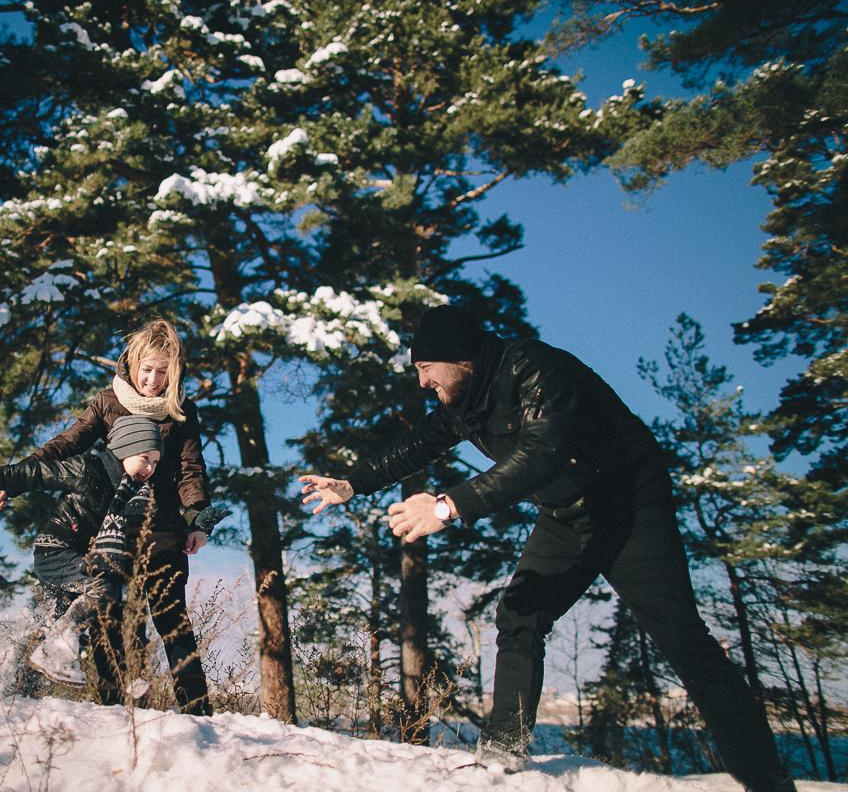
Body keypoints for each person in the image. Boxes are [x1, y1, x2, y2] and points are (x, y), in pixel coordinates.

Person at [298, 305, 796, 792]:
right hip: (567, 516)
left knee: (686, 642)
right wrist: (352, 484)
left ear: (460, 357)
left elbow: (542, 453)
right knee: (519, 615)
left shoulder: (537, 370)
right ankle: (501, 759)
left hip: (628, 506)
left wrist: (448, 507)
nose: (422, 381)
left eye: (426, 367)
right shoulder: (465, 402)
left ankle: (767, 780)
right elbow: (417, 445)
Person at [0, 319, 218, 716]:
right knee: (107, 612)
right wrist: (12, 480)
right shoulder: (108, 401)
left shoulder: (181, 410)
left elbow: (191, 469)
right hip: (113, 524)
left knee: (171, 618)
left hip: (162, 527)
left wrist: (196, 521)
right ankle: (114, 708)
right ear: (133, 363)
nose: (153, 380)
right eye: (147, 369)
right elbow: (64, 446)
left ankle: (198, 712)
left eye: (163, 372)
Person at [0, 415, 168, 696]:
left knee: (56, 622)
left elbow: (164, 521)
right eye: (145, 458)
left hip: (85, 562)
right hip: (56, 551)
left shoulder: (136, 496)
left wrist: (194, 521)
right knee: (105, 588)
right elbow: (40, 473)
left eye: (155, 462)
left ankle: (11, 686)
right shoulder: (89, 470)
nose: (150, 468)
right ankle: (57, 650)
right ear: (125, 448)